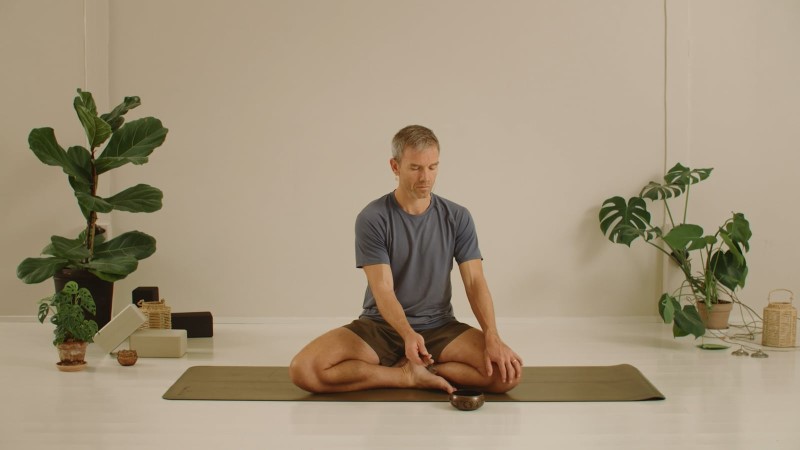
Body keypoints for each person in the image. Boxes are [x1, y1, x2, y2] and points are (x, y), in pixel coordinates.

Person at [289, 125, 522, 394]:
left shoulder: (458, 217)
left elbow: (474, 281)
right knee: (304, 369)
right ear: (395, 166)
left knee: (507, 376)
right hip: (382, 326)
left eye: (432, 167)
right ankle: (405, 375)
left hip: (439, 326)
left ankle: (428, 371)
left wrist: (492, 335)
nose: (426, 177)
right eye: (415, 168)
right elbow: (383, 289)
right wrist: (408, 334)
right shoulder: (373, 217)